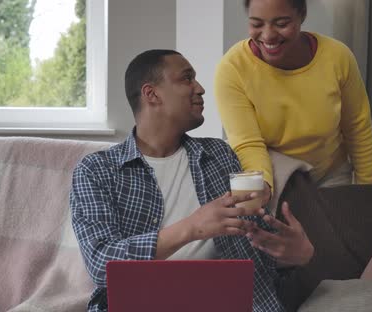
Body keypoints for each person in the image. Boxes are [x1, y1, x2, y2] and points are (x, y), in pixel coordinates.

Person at [70, 49, 314, 312]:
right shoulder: (97, 170)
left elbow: (252, 251)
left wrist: (296, 255)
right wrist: (192, 228)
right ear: (151, 94)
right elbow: (101, 264)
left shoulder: (219, 156)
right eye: (187, 79)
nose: (200, 89)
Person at [214, 0, 372, 191]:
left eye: (282, 23)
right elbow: (248, 145)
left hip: (331, 175)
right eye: (256, 24)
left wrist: (369, 191)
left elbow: (358, 128)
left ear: (302, 15)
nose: (268, 35)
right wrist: (263, 187)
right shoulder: (232, 69)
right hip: (276, 178)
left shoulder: (337, 57)